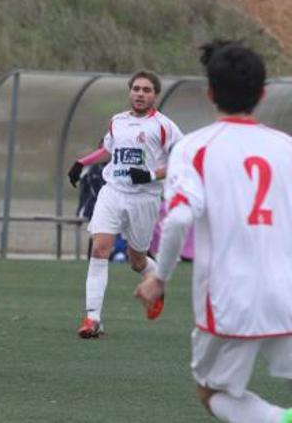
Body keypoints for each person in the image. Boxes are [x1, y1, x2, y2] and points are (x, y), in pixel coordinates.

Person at [136, 40, 292, 423]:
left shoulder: (194, 148)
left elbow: (177, 220)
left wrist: (159, 277)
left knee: (211, 391)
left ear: (209, 92)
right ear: (262, 93)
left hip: (229, 298)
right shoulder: (286, 147)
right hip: (288, 291)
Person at [67, 70, 183, 338]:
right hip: (113, 192)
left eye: (146, 90)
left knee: (137, 260)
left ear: (155, 95)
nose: (140, 94)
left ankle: (157, 283)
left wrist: (151, 175)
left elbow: (181, 160)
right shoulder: (117, 121)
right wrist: (82, 162)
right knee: (100, 249)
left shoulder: (165, 126)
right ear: (130, 91)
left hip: (144, 197)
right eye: (136, 89)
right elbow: (109, 150)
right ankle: (92, 319)